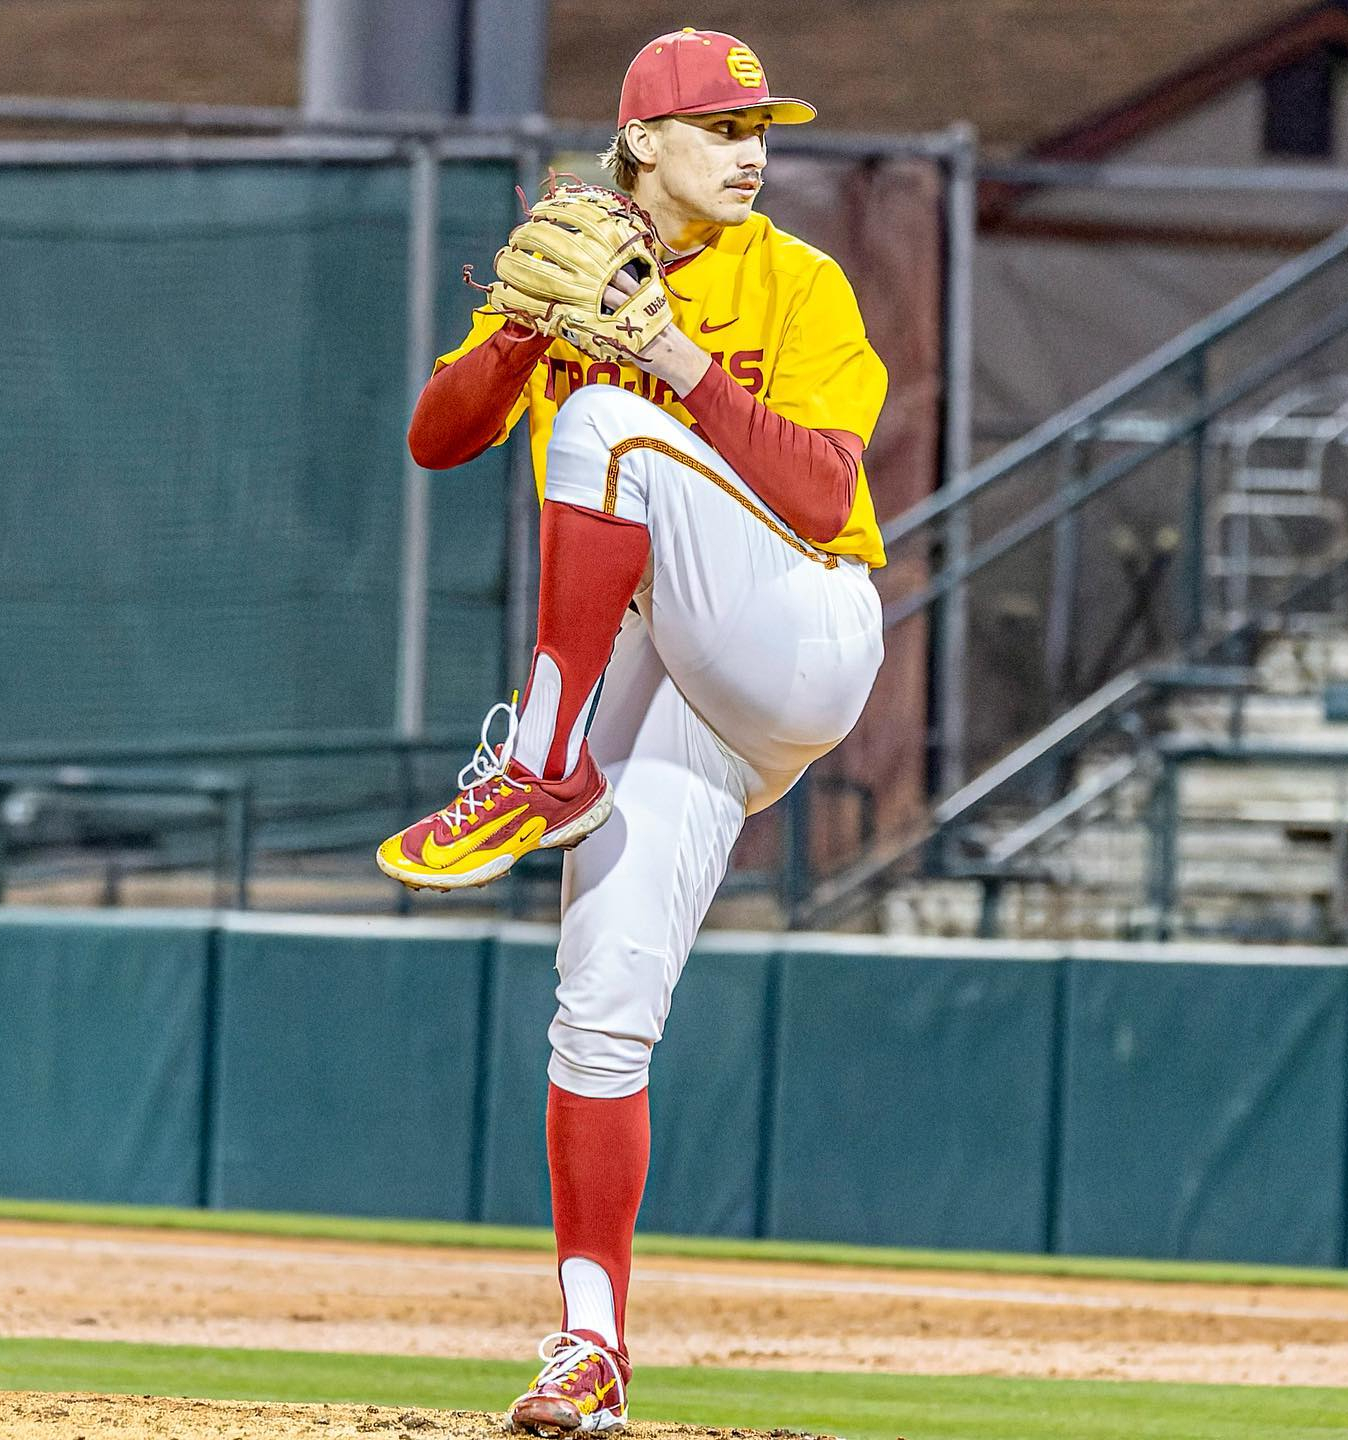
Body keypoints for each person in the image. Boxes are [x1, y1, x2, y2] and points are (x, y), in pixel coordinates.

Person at [379, 27, 887, 1435]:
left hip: (800, 629)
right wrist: (530, 330)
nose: (752, 149)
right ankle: (588, 1353)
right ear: (643, 142)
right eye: (721, 127)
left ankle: (543, 760)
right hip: (680, 680)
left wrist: (662, 351)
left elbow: (818, 480)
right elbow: (436, 435)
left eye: (760, 125)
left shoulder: (797, 278)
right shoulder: (579, 254)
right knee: (598, 1015)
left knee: (605, 419)